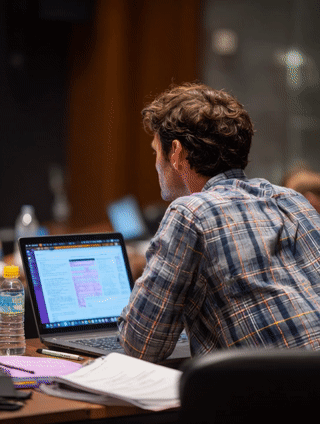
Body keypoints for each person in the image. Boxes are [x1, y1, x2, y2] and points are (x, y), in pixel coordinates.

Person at [118, 82, 320, 363]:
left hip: (272, 397)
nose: (156, 164)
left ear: (175, 152)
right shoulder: (291, 200)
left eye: (156, 152)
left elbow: (141, 346)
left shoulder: (191, 212)